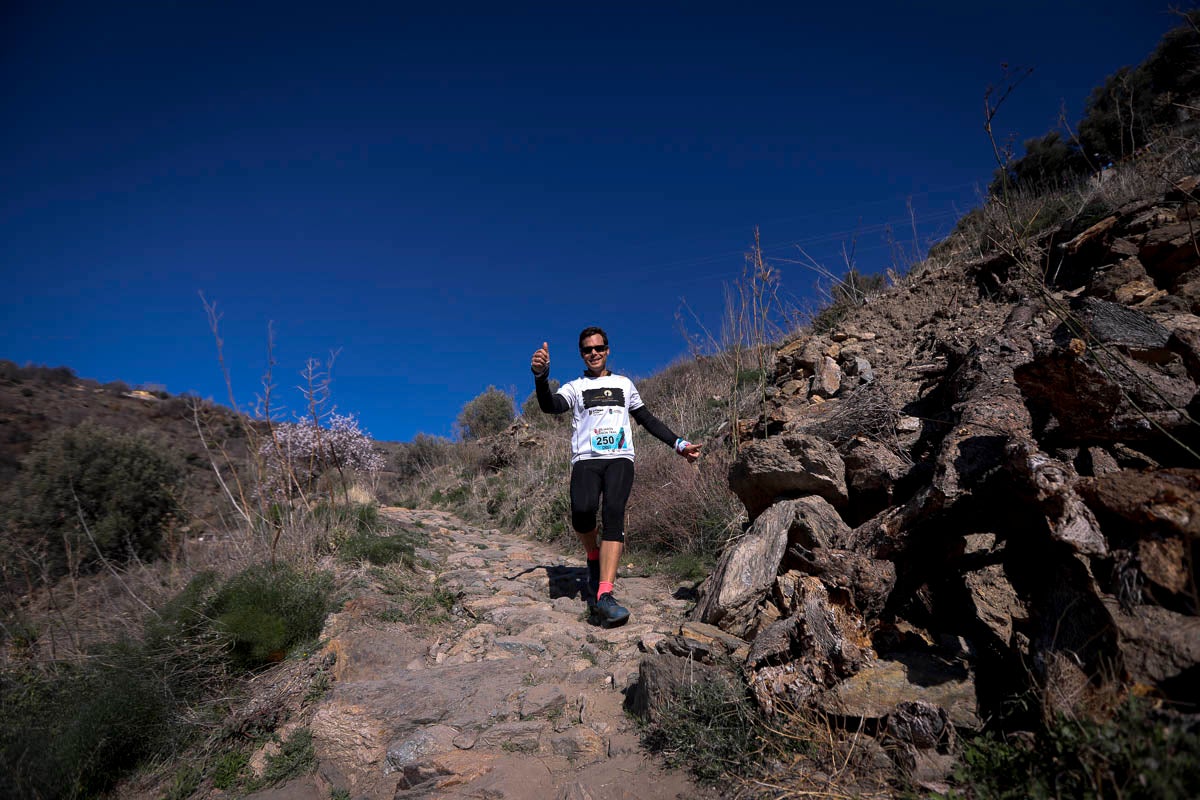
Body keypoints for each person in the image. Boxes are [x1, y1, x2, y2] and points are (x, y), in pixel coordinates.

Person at [530, 326, 701, 626]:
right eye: (587, 350)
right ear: (582, 354)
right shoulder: (575, 387)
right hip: (586, 459)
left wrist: (679, 444)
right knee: (582, 514)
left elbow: (646, 419)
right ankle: (592, 555)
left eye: (599, 348)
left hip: (620, 459)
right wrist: (541, 378)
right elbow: (550, 406)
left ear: (607, 350)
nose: (594, 353)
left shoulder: (624, 384)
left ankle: (604, 594)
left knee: (613, 513)